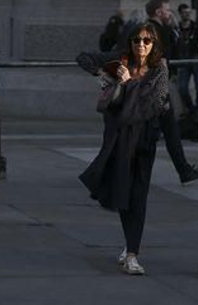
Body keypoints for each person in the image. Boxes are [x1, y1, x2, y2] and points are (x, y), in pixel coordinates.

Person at [77, 22, 170, 275]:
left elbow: (153, 104)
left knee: (138, 196)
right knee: (122, 193)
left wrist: (128, 84)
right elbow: (83, 57)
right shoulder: (121, 60)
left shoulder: (159, 67)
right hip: (119, 138)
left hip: (144, 138)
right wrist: (103, 75)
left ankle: (132, 254)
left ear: (154, 44)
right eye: (137, 40)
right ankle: (130, 245)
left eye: (147, 41)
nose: (141, 45)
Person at [144, 0, 198, 184]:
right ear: (158, 12)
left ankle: (184, 170)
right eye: (167, 10)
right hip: (156, 91)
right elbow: (158, 64)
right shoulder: (156, 31)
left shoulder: (155, 29)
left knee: (170, 132)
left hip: (154, 89)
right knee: (149, 137)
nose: (170, 13)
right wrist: (162, 95)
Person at [175, 3, 198, 122]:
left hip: (195, 59)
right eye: (184, 13)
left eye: (189, 13)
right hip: (183, 60)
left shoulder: (196, 26)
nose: (187, 15)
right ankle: (191, 109)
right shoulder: (177, 28)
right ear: (180, 13)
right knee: (182, 88)